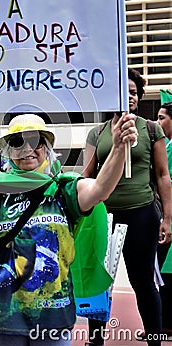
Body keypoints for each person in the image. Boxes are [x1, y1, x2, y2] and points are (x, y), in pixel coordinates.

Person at [0, 111, 137, 345]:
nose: (28, 148)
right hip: (4, 316)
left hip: (54, 317)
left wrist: (119, 148)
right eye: (18, 142)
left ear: (47, 147)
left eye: (36, 140)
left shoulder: (64, 189)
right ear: (8, 150)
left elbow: (100, 189)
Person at [83, 69, 172, 346]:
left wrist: (168, 218)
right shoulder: (97, 133)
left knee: (143, 281)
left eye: (134, 92)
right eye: (125, 91)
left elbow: (162, 175)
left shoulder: (150, 129)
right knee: (99, 281)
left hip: (142, 214)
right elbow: (87, 176)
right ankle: (95, 341)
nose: (130, 96)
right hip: (103, 216)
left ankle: (155, 340)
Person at [156, 102, 172, 340]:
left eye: (161, 118)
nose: (158, 123)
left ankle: (166, 326)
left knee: (165, 274)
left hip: (168, 221)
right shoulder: (166, 146)